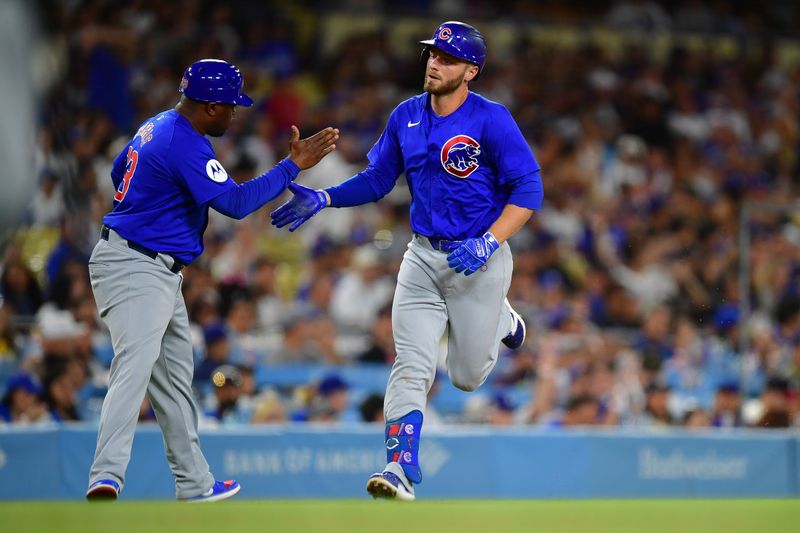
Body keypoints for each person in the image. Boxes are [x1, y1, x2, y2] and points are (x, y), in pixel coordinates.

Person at [271, 21, 543, 501]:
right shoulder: (405, 115)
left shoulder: (491, 119)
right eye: (433, 55)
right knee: (412, 363)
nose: (435, 63)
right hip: (422, 256)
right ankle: (399, 467)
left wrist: (489, 242)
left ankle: (501, 314)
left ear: (471, 71)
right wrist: (325, 198)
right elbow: (378, 179)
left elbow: (529, 191)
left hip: (479, 258)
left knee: (466, 376)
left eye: (448, 58)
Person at [85, 58, 338, 502]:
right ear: (207, 106)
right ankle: (105, 476)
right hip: (136, 265)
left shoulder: (158, 125)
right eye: (229, 106)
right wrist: (290, 167)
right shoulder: (182, 141)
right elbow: (237, 205)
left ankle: (195, 483)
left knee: (174, 380)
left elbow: (118, 174)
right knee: (134, 368)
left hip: (152, 265)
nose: (235, 113)